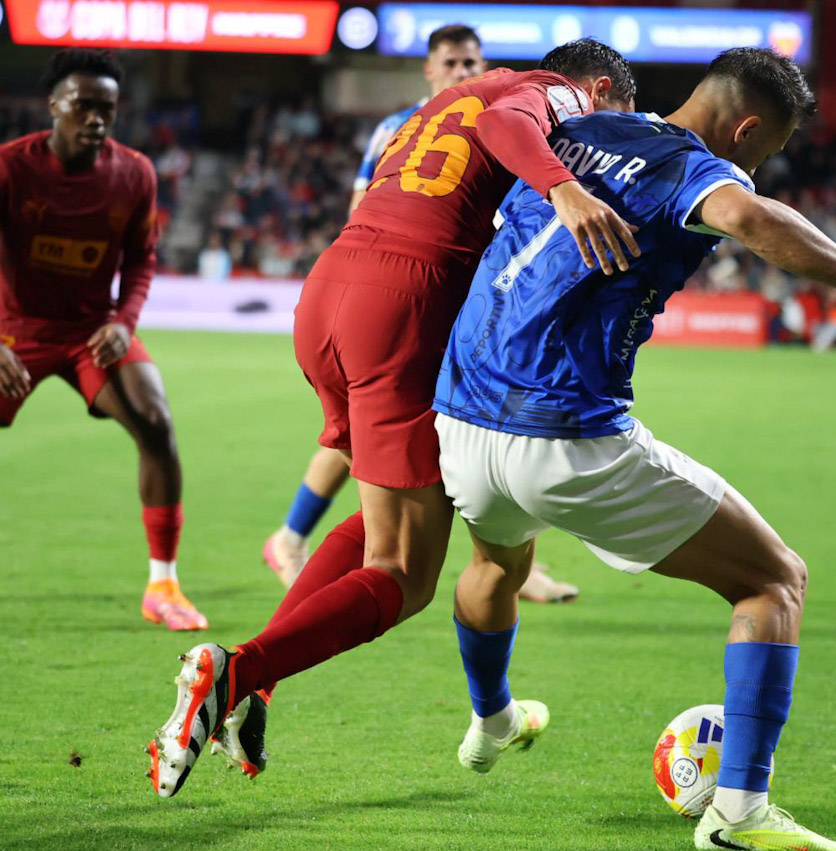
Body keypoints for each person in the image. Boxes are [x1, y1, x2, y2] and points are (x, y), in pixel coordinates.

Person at [430, 48, 836, 851]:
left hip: (461, 422)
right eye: (765, 152)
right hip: (564, 436)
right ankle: (742, 806)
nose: (756, 165)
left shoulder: (583, 128)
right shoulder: (692, 165)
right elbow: (748, 219)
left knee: (496, 567)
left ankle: (490, 718)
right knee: (775, 579)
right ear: (746, 128)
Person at [147, 40, 641, 798]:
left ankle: (257, 686)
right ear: (601, 88)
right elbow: (514, 124)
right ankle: (235, 672)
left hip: (331, 293)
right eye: (619, 119)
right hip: (401, 305)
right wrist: (566, 189)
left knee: (413, 501)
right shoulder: (550, 94)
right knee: (404, 575)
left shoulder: (448, 100)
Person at [263, 23, 578, 604]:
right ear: (430, 69)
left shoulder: (434, 119)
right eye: (454, 63)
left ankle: (265, 643)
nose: (464, 71)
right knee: (407, 543)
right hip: (404, 298)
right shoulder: (417, 122)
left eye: (473, 61)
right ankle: (288, 551)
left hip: (354, 296)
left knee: (388, 491)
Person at [0, 50, 206, 631]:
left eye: (106, 109)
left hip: (92, 333)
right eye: (82, 106)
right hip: (13, 330)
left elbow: (142, 259)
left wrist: (123, 321)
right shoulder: (10, 167)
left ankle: (163, 585)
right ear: (53, 107)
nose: (95, 118)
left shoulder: (134, 172)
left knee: (157, 423)